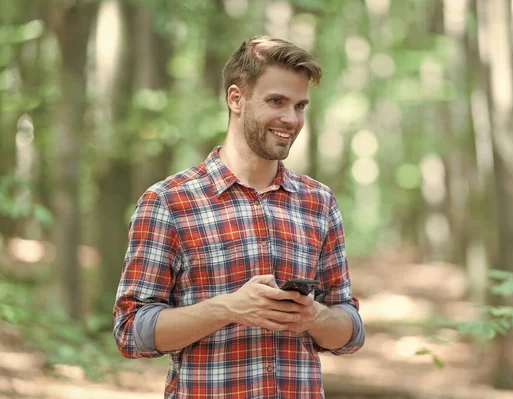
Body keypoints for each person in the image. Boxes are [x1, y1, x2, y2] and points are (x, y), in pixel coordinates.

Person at [113, 35, 365, 398]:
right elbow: (130, 331)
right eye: (276, 101)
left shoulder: (318, 202)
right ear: (236, 99)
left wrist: (314, 317)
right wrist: (228, 308)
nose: (291, 119)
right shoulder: (168, 202)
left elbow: (351, 332)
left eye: (300, 106)